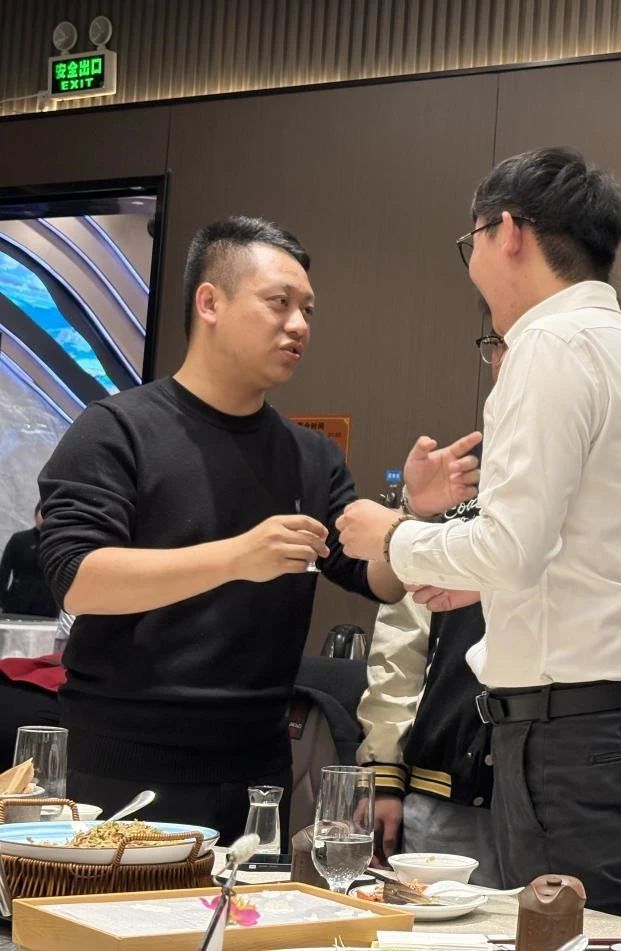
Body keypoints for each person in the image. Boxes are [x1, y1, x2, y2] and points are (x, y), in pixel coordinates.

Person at [337, 147, 621, 921]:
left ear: (505, 232)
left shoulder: (548, 344)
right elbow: (601, 549)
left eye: (468, 243)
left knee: (566, 934)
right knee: (603, 928)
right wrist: (481, 583)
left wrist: (392, 533)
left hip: (578, 733)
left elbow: (510, 545)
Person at [37, 216, 470, 838]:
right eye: (279, 302)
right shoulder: (116, 429)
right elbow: (77, 578)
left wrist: (415, 519)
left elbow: (376, 579)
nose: (299, 325)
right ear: (210, 302)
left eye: (308, 310)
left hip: (258, 769)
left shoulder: (310, 456)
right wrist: (238, 556)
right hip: (122, 762)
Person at [357, 332, 505, 884]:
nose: (510, 359)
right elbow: (402, 637)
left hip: (557, 785)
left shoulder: (601, 476)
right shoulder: (457, 474)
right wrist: (383, 773)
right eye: (498, 344)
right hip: (443, 781)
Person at [0, 503, 58, 617]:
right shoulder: (19, 539)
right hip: (17, 603)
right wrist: (2, 601)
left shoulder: (58, 543)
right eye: (42, 513)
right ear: (35, 514)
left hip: (48, 606)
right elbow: (4, 571)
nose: (45, 517)